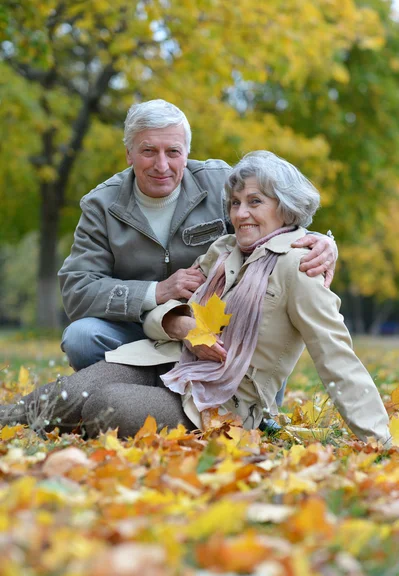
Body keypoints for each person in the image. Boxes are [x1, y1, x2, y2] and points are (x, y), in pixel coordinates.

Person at [1, 151, 391, 448]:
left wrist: (379, 441)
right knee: (72, 390)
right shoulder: (223, 251)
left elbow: (336, 355)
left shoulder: (300, 266)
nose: (240, 214)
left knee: (105, 405)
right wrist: (178, 323)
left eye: (255, 202)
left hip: (222, 403)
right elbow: (159, 316)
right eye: (235, 203)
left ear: (285, 207)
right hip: (169, 362)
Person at [59, 99, 337, 372]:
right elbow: (77, 289)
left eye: (173, 152)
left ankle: (251, 406)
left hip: (217, 330)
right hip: (137, 328)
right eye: (148, 151)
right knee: (81, 338)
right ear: (129, 154)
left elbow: (271, 222)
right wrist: (156, 292)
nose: (162, 165)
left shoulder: (221, 182)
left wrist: (321, 241)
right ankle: (131, 393)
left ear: (187, 152)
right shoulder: (101, 205)